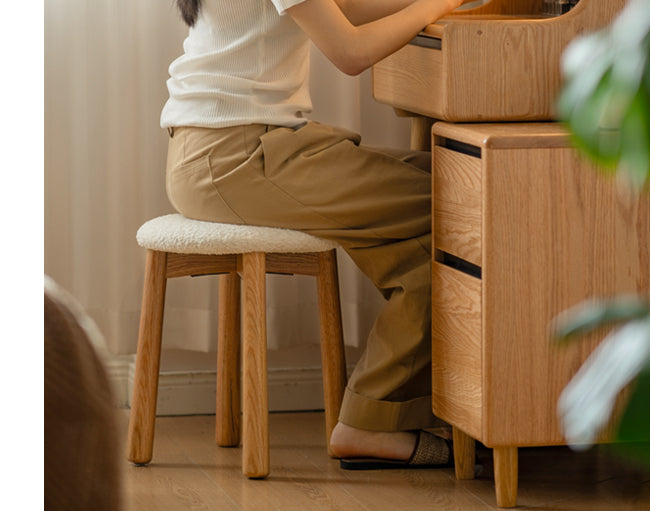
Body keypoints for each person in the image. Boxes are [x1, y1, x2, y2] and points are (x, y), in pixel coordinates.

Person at [162, 0, 471, 468]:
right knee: (468, 196)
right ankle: (374, 423)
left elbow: (345, 6)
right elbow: (349, 51)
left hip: (231, 149)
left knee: (447, 198)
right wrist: (439, 4)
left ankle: (376, 417)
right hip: (239, 157)